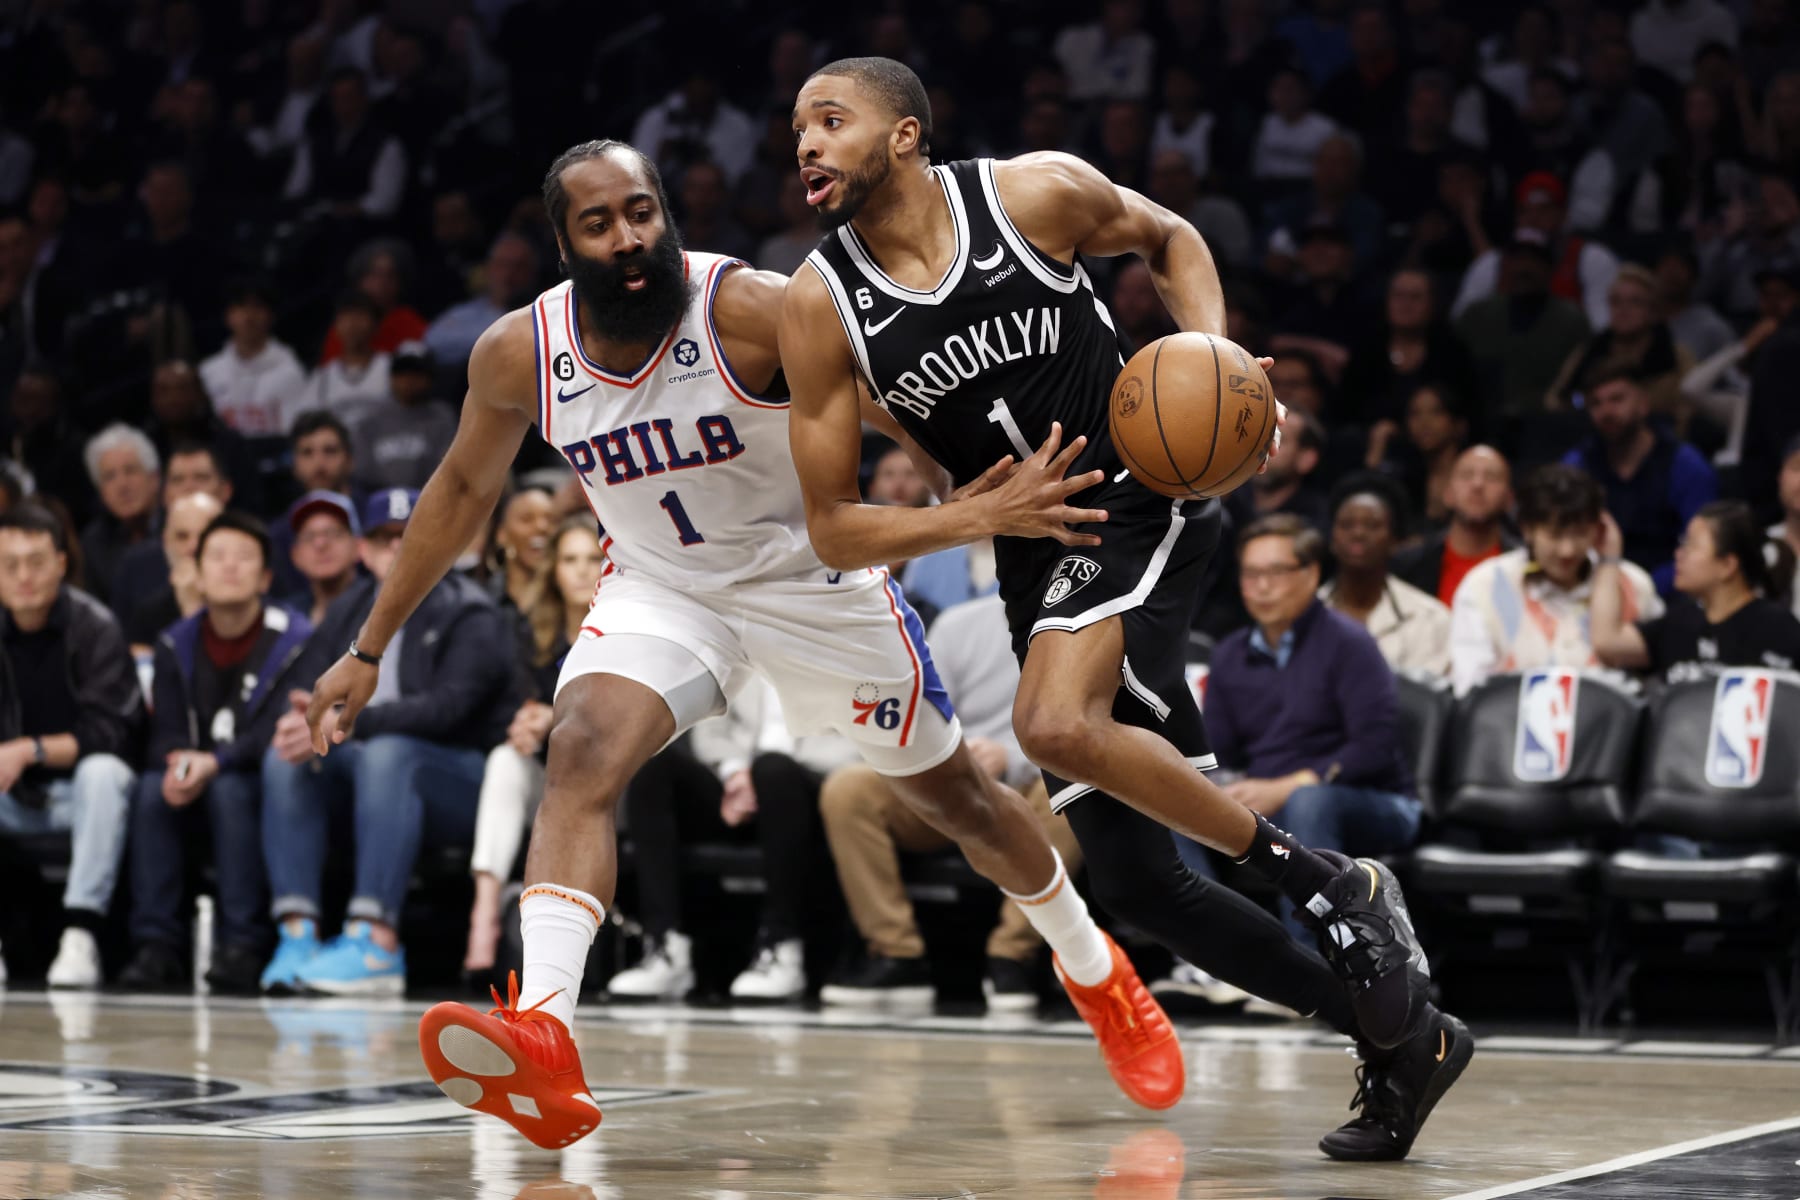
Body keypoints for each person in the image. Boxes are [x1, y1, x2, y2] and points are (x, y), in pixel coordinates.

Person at [302, 137, 1183, 1150]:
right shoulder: (518, 353)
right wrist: (368, 649)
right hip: (665, 588)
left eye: (642, 211)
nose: (630, 237)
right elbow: (459, 493)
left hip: (813, 580)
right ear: (562, 243)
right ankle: (542, 1030)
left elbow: (904, 401)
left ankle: (1092, 969)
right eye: (599, 223)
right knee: (580, 746)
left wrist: (993, 491)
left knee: (960, 804)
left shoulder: (755, 308)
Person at [782, 58, 1466, 1161]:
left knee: (1053, 725)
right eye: (797, 128)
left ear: (905, 134)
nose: (805, 144)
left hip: (1141, 497)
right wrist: (972, 516)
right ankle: (1404, 1041)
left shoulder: (1027, 194)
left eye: (831, 120)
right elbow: (833, 524)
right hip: (1026, 556)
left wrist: (1220, 360)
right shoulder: (821, 303)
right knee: (1145, 884)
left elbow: (1174, 239)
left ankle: (1336, 884)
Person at [260, 488, 517, 997]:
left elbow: (450, 710)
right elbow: (304, 687)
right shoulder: (348, 609)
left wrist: (352, 721)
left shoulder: (470, 610)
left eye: (409, 535)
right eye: (384, 539)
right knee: (286, 756)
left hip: (464, 783)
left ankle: (374, 939)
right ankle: (298, 935)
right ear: (364, 549)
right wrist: (305, 724)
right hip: (374, 774)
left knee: (390, 751)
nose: (397, 548)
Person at [819, 590, 1083, 1011]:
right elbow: (923, 711)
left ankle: (1012, 954)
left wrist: (1011, 758)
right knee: (849, 787)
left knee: (1075, 789)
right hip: (953, 777)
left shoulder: (1095, 625)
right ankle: (895, 952)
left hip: (1037, 780)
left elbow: (1090, 729)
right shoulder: (959, 623)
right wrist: (955, 756)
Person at [1200, 515, 1422, 937]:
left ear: (1311, 574)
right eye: (1251, 574)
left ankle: (1310, 965)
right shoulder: (1229, 654)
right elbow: (1220, 752)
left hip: (1372, 798)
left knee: (1307, 802)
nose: (1261, 587)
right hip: (1269, 801)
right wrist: (1225, 790)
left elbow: (1373, 747)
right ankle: (1207, 958)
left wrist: (1291, 785)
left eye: (1276, 572)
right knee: (1177, 805)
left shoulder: (1350, 643)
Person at [117, 512, 311, 994]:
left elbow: (280, 728)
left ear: (266, 577)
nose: (229, 568)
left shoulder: (296, 639)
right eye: (217, 557)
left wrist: (215, 762)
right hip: (197, 772)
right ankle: (157, 945)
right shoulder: (173, 641)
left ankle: (242, 945)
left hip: (256, 779)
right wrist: (177, 763)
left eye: (244, 558)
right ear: (196, 573)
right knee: (149, 790)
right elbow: (161, 729)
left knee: (229, 790)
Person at [611, 679, 849, 1004]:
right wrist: (735, 773)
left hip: (812, 788)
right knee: (655, 765)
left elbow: (861, 740)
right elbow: (710, 729)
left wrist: (764, 777)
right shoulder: (744, 643)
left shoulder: (844, 646)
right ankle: (665, 946)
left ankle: (782, 947)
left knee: (774, 771)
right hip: (735, 788)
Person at [0, 503, 143, 989]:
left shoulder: (95, 627)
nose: (23, 576)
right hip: (10, 797)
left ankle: (79, 935)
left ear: (61, 563)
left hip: (83, 800)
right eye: (9, 564)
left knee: (102, 771)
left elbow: (115, 731)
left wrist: (28, 749)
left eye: (36, 562)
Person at [464, 516, 602, 978]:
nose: (583, 571)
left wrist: (555, 717)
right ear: (554, 571)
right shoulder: (530, 634)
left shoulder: (624, 635)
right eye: (570, 560)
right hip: (546, 776)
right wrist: (525, 725)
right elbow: (511, 707)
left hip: (612, 779)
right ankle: (484, 911)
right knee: (505, 759)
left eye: (594, 560)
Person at [1449, 464, 1663, 695]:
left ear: (1599, 528)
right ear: (1527, 529)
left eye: (1580, 533)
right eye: (1554, 535)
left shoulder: (1634, 585)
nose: (1567, 551)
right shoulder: (1484, 586)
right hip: (1510, 725)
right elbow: (1469, 691)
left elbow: (1658, 677)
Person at [1592, 502, 1800, 683]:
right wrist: (1610, 556)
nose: (1679, 553)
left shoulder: (1779, 629)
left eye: (1691, 545)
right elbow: (1607, 641)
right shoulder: (1679, 622)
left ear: (1727, 565)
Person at [1560, 363, 1718, 593]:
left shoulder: (1684, 464)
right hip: (1593, 586)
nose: (1606, 412)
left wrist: (1642, 589)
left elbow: (1703, 545)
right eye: (1596, 403)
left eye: (1617, 399)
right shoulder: (1578, 464)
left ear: (1643, 404)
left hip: (1671, 590)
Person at [1322, 474, 1452, 676]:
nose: (1358, 534)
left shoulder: (1432, 618)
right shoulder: (1301, 614)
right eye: (1347, 525)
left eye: (1372, 525)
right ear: (1332, 538)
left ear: (1395, 540)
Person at [1393, 445, 1517, 606]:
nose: (1478, 484)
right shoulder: (1407, 564)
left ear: (1509, 499)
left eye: (1491, 477)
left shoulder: (1528, 568)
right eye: (1467, 475)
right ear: (1448, 494)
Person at [198, 279, 308, 437]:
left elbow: (296, 435)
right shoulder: (209, 372)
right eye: (241, 307)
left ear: (271, 316)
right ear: (228, 316)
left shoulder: (291, 372)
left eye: (257, 307)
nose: (249, 316)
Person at [122, 491, 224, 653]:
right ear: (166, 544)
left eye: (204, 534)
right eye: (182, 537)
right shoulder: (148, 617)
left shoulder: (249, 606)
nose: (193, 547)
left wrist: (193, 610)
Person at [353, 341, 456, 492]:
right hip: (377, 503)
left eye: (417, 373)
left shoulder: (443, 418)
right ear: (391, 377)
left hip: (429, 498)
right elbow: (362, 473)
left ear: (430, 378)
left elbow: (447, 470)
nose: (409, 379)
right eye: (402, 372)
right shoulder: (370, 421)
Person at [79, 425, 161, 608]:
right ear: (101, 492)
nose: (122, 485)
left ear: (154, 478)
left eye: (131, 471)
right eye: (109, 477)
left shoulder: (178, 530)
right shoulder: (93, 543)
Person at [283, 490, 362, 626]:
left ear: (358, 547)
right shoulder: (286, 618)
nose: (320, 544)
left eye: (332, 533)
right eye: (309, 537)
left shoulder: (379, 605)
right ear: (295, 556)